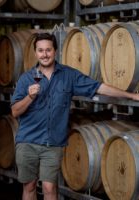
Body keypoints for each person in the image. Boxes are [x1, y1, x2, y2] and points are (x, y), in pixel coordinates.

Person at [10, 32, 139, 200]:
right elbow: (15, 111)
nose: (44, 54)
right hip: (27, 141)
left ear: (55, 51)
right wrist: (30, 97)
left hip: (53, 142)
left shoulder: (69, 75)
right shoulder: (26, 79)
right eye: (40, 50)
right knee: (29, 186)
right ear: (35, 53)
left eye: (48, 50)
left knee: (49, 187)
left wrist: (131, 96)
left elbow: (98, 87)